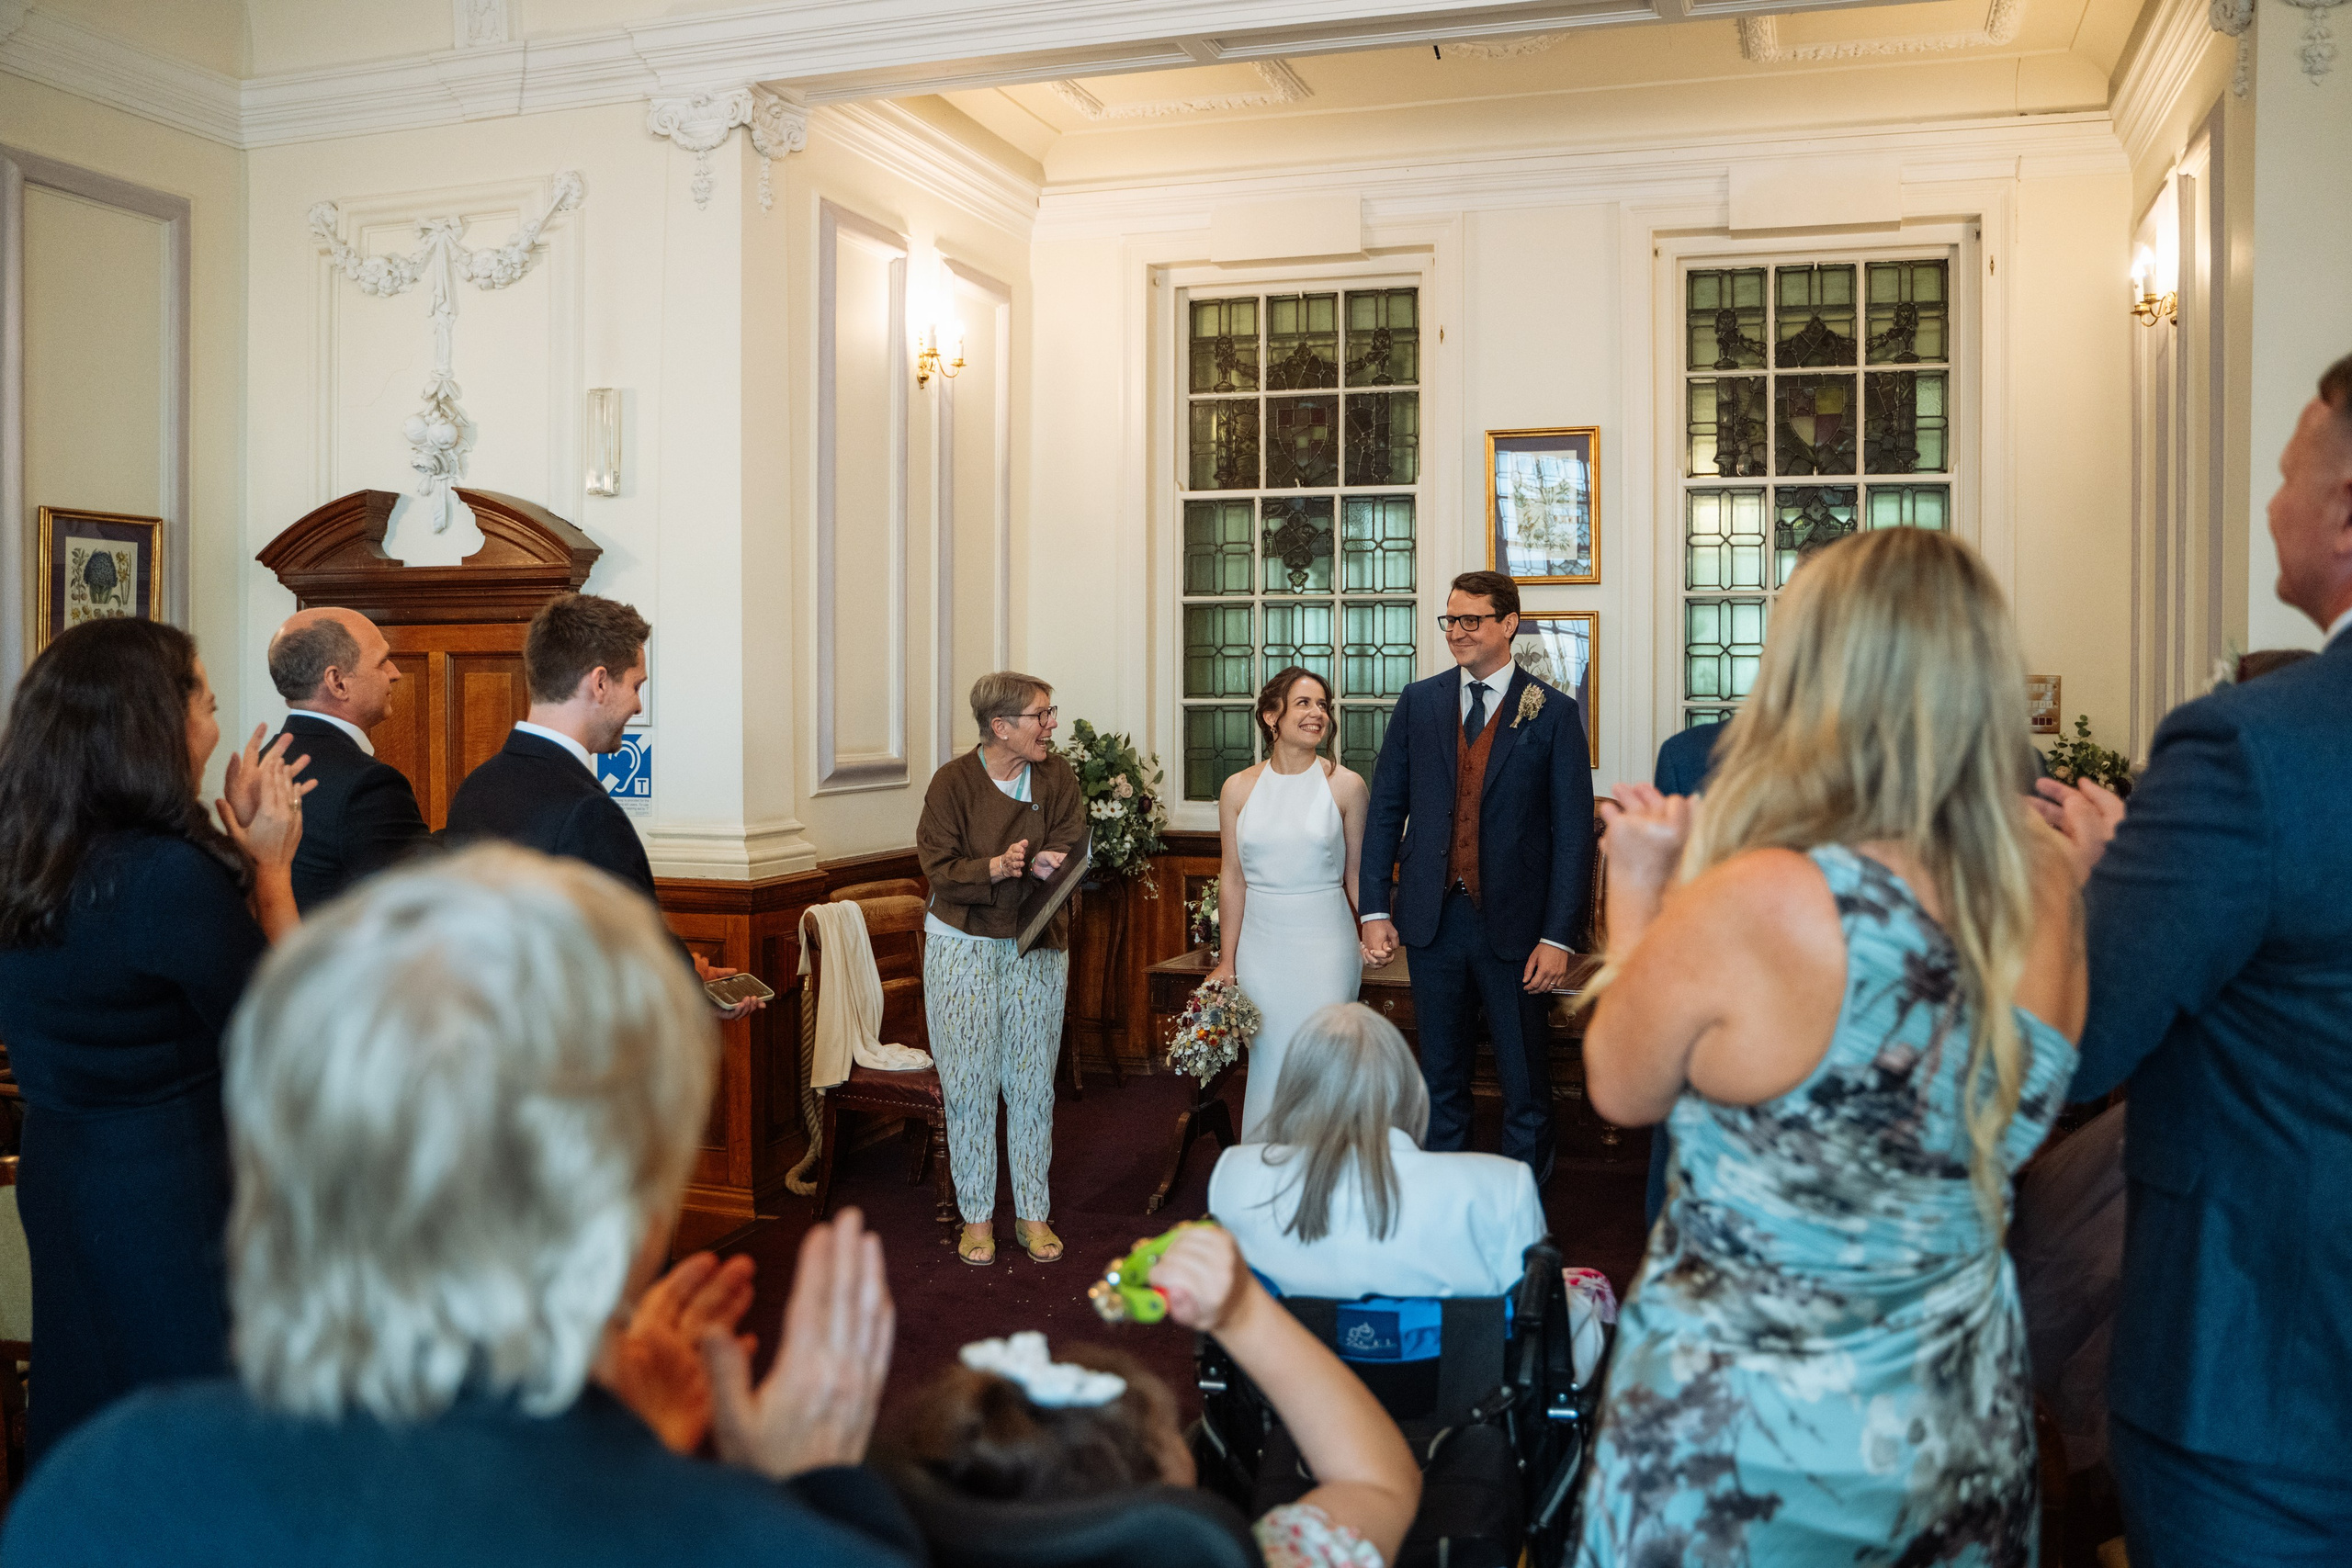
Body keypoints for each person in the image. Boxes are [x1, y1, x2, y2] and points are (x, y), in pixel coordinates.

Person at [2, 846, 918, 1566]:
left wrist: (621, 1456)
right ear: (630, 1205)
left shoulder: (102, 1486)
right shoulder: (775, 1547)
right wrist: (807, 1491)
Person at [1570, 527, 2087, 1563]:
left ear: (1812, 674)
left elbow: (1622, 1089)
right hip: (1952, 1423)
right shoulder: (2049, 885)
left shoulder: (1760, 901)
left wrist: (1636, 888)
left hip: (1739, 1444)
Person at [2031, 352, 2352, 1561]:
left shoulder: (2255, 747)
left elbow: (2080, 1035)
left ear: (2345, 510)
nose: (2270, 503)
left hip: (2277, 1382)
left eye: (2283, 475)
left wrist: (2092, 881)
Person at [0, 619, 312, 1464]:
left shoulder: (27, 855)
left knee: (90, 1410)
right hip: (165, 1182)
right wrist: (274, 873)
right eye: (209, 702)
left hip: (62, 1171)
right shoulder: (162, 875)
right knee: (192, 1430)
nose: (217, 724)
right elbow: (293, 1037)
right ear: (162, 725)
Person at [892, 1224, 1420, 1568]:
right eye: (1168, 1430)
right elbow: (1375, 1482)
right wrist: (1243, 1313)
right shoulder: (1278, 1558)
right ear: (1163, 1515)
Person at [1359, 570, 1593, 1178]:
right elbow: (1387, 808)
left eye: (1471, 620)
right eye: (1450, 620)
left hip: (1517, 930)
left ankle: (1524, 1229)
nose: (1457, 632)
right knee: (1440, 1083)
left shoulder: (1554, 713)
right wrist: (1375, 908)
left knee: (1526, 1088)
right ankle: (1442, 1223)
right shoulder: (1419, 702)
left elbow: (1573, 835)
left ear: (1508, 624)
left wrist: (1559, 936)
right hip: (1432, 924)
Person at [443, 592, 752, 1008]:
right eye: (637, 685)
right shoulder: (586, 811)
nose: (639, 705)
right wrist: (686, 979)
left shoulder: (476, 786)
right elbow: (628, 951)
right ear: (601, 682)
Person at [915, 671, 1086, 1267]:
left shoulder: (1057, 776)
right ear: (1000, 726)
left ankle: (1033, 1214)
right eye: (1041, 714)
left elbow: (1073, 837)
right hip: (962, 943)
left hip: (1038, 939)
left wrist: (1047, 861)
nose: (1051, 724)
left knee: (1033, 1082)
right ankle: (978, 1218)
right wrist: (996, 866)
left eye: (1050, 712)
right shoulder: (952, 783)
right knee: (968, 1085)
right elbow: (939, 865)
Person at [1209, 1002, 1544, 1300]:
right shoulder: (1502, 1186)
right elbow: (1533, 1319)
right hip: (1439, 1367)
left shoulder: (1233, 1176)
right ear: (1409, 1087)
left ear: (1294, 1087)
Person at [1207, 668, 1367, 1142]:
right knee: (1271, 1057)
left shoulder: (1347, 786)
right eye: (1304, 703)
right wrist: (1226, 960)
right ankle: (1266, 1184)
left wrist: (1374, 932)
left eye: (1323, 705)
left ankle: (1329, 1185)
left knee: (1325, 1060)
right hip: (1261, 946)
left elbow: (1356, 875)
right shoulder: (1237, 788)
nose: (1318, 714)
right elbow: (1232, 878)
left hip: (1326, 945)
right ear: (1270, 716)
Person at [263, 605, 430, 911]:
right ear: (337, 682)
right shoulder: (369, 785)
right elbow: (421, 900)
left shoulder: (265, 762)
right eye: (382, 663)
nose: (395, 673)